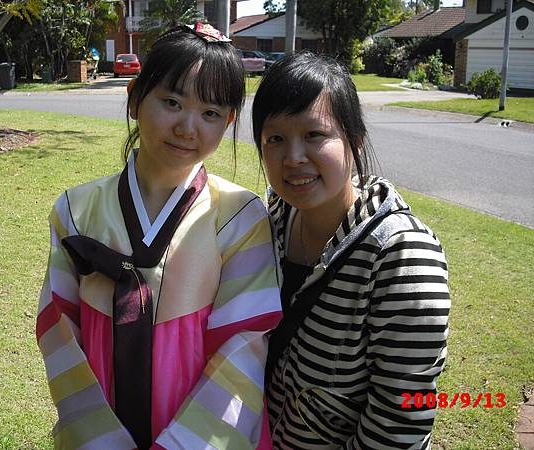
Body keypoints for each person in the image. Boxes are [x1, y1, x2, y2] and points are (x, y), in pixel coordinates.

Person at [36, 23, 282, 450]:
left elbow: (242, 350)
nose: (188, 128)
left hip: (202, 432)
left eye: (210, 113)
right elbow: (58, 330)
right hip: (97, 425)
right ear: (135, 98)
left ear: (228, 121)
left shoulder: (239, 217)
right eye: (171, 102)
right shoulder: (76, 210)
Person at [252, 51, 450, 449]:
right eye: (276, 138)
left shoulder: (402, 259)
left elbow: (399, 423)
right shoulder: (269, 219)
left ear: (354, 142)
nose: (292, 158)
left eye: (314, 135)